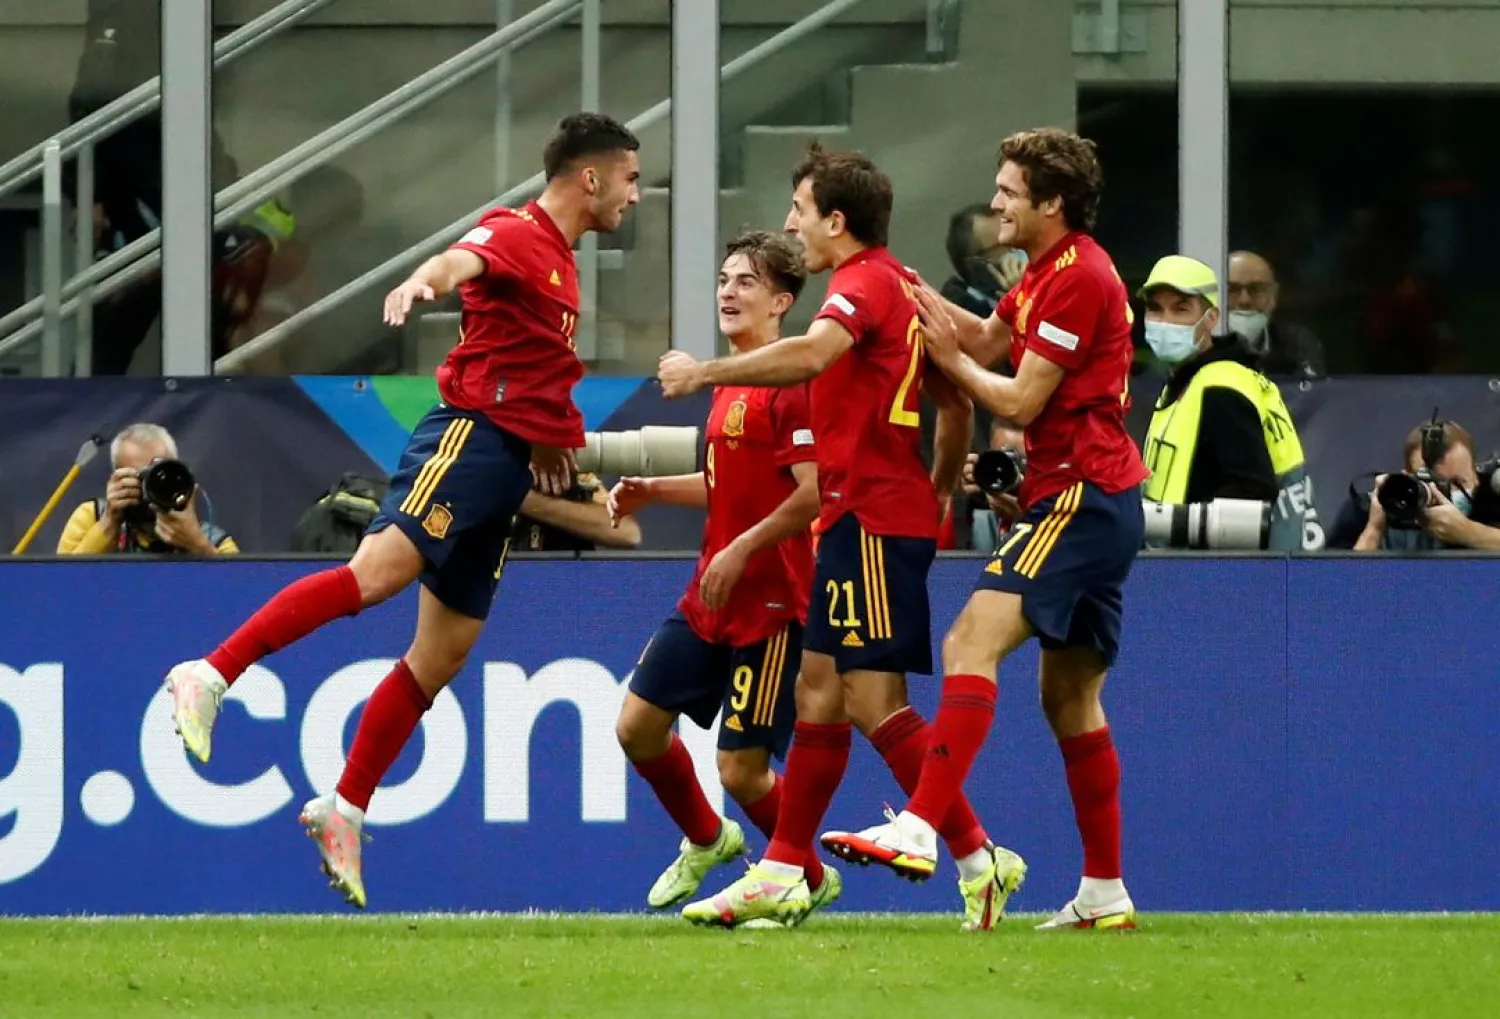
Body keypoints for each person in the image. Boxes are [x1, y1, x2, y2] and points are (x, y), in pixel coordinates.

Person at [160, 113, 642, 909]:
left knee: (441, 655)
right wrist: (424, 281)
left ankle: (344, 806)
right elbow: (465, 259)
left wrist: (552, 435)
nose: (636, 191)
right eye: (629, 175)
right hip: (467, 441)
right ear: (590, 177)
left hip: (504, 467)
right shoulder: (520, 233)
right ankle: (209, 673)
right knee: (374, 575)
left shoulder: (560, 261)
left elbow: (530, 362)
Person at [658, 143, 1026, 932]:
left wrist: (706, 374)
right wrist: (930, 489)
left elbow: (815, 355)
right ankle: (787, 867)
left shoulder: (859, 287)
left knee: (869, 697)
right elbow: (955, 404)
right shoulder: (903, 286)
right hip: (870, 514)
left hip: (867, 517)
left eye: (799, 209)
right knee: (819, 691)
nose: (792, 223)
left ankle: (974, 853)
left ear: (835, 218)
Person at [820, 128, 1148, 931]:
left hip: (1080, 496)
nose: (994, 202)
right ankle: (1104, 890)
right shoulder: (1042, 272)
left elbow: (1019, 399)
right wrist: (907, 290)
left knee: (970, 642)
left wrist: (954, 369)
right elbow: (988, 338)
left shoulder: (1082, 277)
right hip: (1085, 497)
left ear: (1051, 203)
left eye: (1008, 190)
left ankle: (921, 825)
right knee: (1070, 696)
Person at [608, 230, 836, 923]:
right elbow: (729, 484)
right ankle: (710, 838)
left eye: (746, 282)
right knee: (637, 727)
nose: (728, 292)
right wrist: (653, 489)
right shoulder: (733, 380)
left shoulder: (789, 383)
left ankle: (809, 876)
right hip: (711, 591)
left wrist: (741, 550)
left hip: (769, 602)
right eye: (724, 279)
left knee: (741, 769)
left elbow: (811, 493)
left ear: (781, 303)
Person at [1138, 255, 1323, 553]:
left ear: (1211, 318)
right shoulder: (1197, 380)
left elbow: (1249, 499)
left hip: (1218, 578)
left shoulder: (1221, 389)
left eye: (1181, 309)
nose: (1165, 321)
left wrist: (1166, 526)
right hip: (1181, 568)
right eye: (1155, 309)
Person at [56, 423, 238, 556]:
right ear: (116, 479)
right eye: (139, 477)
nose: (148, 487)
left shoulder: (212, 539)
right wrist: (109, 522)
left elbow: (241, 594)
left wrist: (197, 545)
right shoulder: (92, 516)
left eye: (159, 476)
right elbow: (63, 585)